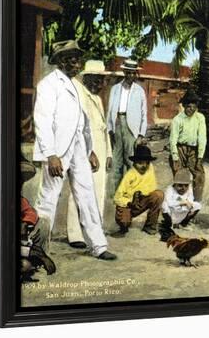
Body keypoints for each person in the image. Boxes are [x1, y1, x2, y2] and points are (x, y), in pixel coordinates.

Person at [32, 40, 116, 261]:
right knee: (48, 198)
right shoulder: (48, 85)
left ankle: (98, 246)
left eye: (78, 58)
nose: (77, 63)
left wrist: (89, 151)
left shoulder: (76, 85)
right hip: (57, 151)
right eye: (72, 59)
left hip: (78, 147)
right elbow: (42, 121)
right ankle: (38, 248)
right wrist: (51, 154)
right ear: (61, 61)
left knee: (87, 195)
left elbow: (83, 121)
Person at [66, 60, 113, 248]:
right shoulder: (80, 96)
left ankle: (93, 230)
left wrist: (108, 152)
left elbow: (103, 129)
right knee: (78, 189)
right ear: (87, 78)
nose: (100, 84)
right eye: (97, 80)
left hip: (100, 149)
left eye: (101, 80)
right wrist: (89, 151)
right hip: (84, 149)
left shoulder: (98, 99)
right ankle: (75, 234)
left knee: (97, 191)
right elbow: (78, 128)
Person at [106, 59, 148, 190]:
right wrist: (110, 129)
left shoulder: (139, 91)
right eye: (128, 72)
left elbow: (144, 114)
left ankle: (131, 191)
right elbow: (110, 110)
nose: (130, 76)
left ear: (136, 74)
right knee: (116, 162)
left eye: (133, 73)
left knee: (131, 161)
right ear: (124, 72)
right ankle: (116, 194)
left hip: (132, 128)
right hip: (118, 123)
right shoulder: (115, 89)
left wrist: (141, 135)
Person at [113, 145, 164, 237]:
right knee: (124, 222)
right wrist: (130, 202)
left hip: (141, 200)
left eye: (147, 163)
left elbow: (152, 188)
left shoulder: (150, 168)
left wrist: (140, 194)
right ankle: (123, 227)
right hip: (128, 204)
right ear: (134, 162)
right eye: (140, 163)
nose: (144, 166)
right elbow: (117, 197)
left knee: (158, 195)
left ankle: (150, 226)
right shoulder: (130, 175)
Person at [20, 160, 56, 281]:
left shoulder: (20, 200)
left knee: (44, 222)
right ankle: (37, 257)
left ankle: (37, 261)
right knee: (24, 265)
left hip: (24, 242)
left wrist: (25, 222)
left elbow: (31, 212)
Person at [169, 88, 207, 201]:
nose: (192, 109)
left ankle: (196, 202)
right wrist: (175, 157)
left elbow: (202, 138)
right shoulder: (177, 119)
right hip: (180, 148)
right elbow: (173, 140)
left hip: (193, 150)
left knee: (199, 175)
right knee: (180, 176)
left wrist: (200, 157)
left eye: (194, 107)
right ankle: (179, 203)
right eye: (189, 106)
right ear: (184, 105)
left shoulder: (200, 118)